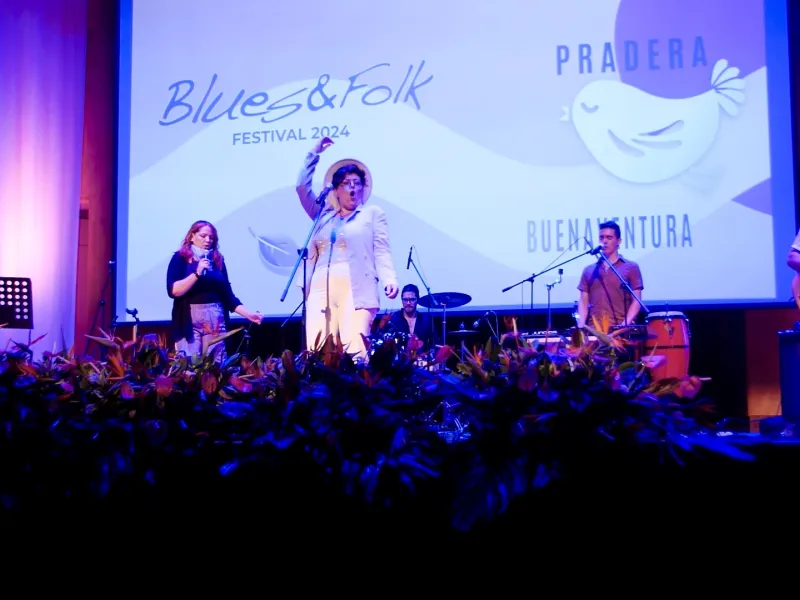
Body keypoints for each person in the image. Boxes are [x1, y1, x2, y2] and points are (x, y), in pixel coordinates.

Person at [296, 136, 398, 359]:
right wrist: (314, 153)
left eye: (357, 183)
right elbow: (301, 188)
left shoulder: (372, 214)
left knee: (355, 349)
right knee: (317, 351)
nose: (352, 188)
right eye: (346, 183)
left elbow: (381, 250)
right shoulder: (322, 215)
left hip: (355, 285)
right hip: (319, 286)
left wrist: (389, 279)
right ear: (335, 190)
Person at [166, 220, 263, 361]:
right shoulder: (180, 258)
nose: (207, 240)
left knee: (214, 364)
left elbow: (228, 297)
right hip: (189, 319)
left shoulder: (217, 260)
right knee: (190, 363)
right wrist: (197, 273)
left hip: (215, 319)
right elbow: (173, 291)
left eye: (211, 238)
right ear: (192, 236)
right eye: (203, 236)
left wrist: (248, 314)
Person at [576, 221, 644, 328]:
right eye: (601, 237)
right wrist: (580, 326)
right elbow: (583, 302)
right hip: (595, 330)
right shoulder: (589, 270)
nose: (604, 241)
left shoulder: (631, 267)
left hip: (620, 330)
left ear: (618, 241)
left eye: (609, 237)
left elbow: (637, 301)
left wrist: (624, 324)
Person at [380, 284, 434, 351]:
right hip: (399, 356)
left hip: (421, 356)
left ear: (417, 300)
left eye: (412, 299)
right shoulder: (393, 319)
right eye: (405, 300)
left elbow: (435, 343)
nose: (408, 303)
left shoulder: (425, 321)